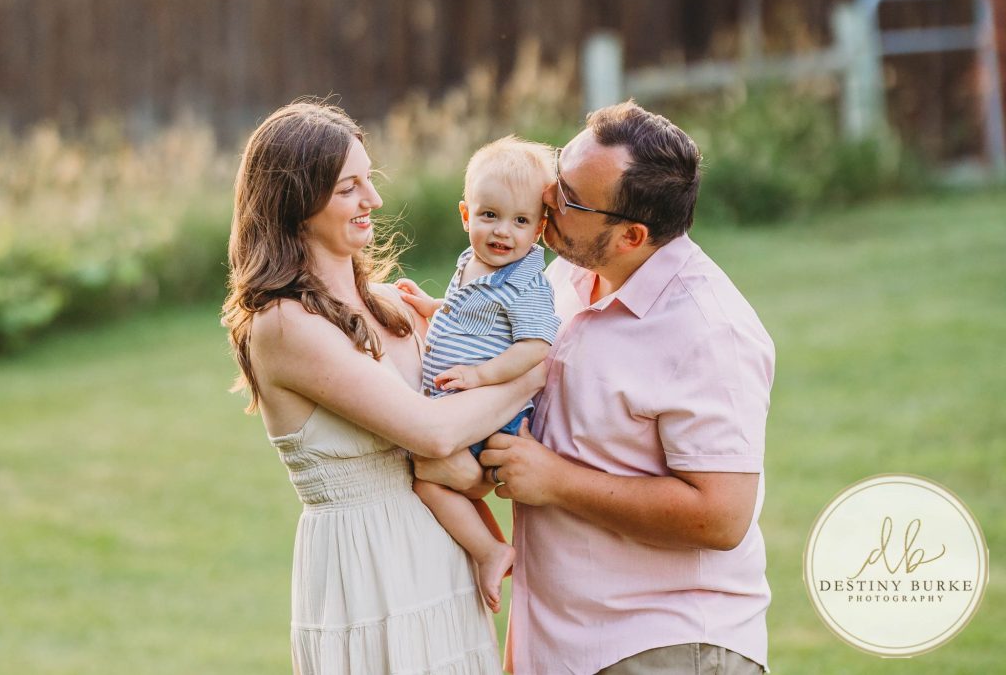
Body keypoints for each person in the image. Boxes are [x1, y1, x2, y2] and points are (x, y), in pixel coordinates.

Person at [221, 100, 543, 675]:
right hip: (368, 576)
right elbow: (434, 433)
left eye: (369, 180)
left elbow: (466, 442)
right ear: (297, 202)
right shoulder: (284, 325)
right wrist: (537, 373)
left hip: (443, 565)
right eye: (349, 188)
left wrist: (476, 470)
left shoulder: (396, 305)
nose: (373, 199)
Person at [478, 101, 776, 674]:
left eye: (570, 198)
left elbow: (721, 516)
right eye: (559, 173)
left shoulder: (709, 330)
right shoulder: (567, 273)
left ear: (630, 236)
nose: (547, 197)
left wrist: (555, 480)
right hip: (563, 643)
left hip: (665, 647)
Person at [394, 136, 561, 614]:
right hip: (467, 406)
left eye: (521, 221)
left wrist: (481, 375)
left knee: (428, 482)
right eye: (490, 215)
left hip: (492, 417)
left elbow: (536, 345)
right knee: (444, 482)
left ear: (540, 228)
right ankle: (494, 548)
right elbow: (471, 315)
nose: (502, 231)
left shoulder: (525, 283)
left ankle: (489, 551)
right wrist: (433, 307)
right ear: (466, 215)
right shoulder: (473, 262)